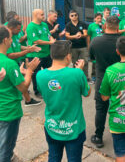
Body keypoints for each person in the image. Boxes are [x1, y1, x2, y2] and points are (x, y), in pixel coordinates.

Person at [36, 41, 91, 162]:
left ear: (52, 55)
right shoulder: (76, 73)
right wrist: (80, 71)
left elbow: (44, 91)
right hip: (74, 128)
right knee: (74, 159)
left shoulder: (40, 74)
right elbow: (87, 93)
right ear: (68, 56)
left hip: (52, 126)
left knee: (54, 157)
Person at [0, 26, 40, 162]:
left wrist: (19, 73)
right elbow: (23, 88)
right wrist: (29, 71)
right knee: (6, 148)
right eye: (11, 37)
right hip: (9, 112)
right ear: (5, 40)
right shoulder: (9, 63)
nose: (12, 40)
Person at [89, 16, 121, 148]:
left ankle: (98, 136)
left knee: (101, 109)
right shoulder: (123, 40)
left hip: (103, 79)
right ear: (118, 27)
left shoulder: (96, 41)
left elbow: (91, 57)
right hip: (120, 79)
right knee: (121, 107)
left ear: (105, 26)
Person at [7, 19, 42, 106]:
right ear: (11, 28)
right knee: (20, 82)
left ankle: (28, 100)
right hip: (10, 64)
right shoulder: (6, 38)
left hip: (16, 63)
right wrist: (27, 52)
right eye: (18, 29)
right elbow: (10, 55)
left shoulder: (14, 36)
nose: (20, 31)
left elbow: (19, 46)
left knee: (21, 81)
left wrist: (29, 48)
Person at [26, 9, 56, 98]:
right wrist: (50, 43)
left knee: (50, 72)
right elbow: (36, 41)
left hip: (46, 53)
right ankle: (37, 91)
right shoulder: (31, 27)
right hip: (36, 55)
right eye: (42, 15)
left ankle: (51, 87)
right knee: (36, 74)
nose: (44, 16)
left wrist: (52, 39)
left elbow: (48, 35)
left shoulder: (44, 25)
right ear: (36, 15)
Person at [65, 10, 89, 78]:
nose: (74, 17)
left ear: (77, 15)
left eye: (75, 15)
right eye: (72, 15)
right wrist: (75, 36)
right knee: (75, 62)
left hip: (83, 46)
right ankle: (76, 77)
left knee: (85, 62)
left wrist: (81, 35)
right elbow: (67, 36)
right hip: (73, 47)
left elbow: (85, 34)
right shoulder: (68, 25)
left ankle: (85, 77)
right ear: (69, 17)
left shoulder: (82, 23)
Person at [87, 13, 104, 84]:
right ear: (95, 19)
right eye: (98, 18)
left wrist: (103, 27)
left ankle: (101, 76)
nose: (99, 20)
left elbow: (106, 33)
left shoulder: (103, 25)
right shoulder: (91, 26)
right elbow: (88, 36)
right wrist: (88, 45)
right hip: (94, 46)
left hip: (102, 46)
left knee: (101, 62)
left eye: (100, 18)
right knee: (94, 62)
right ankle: (93, 77)